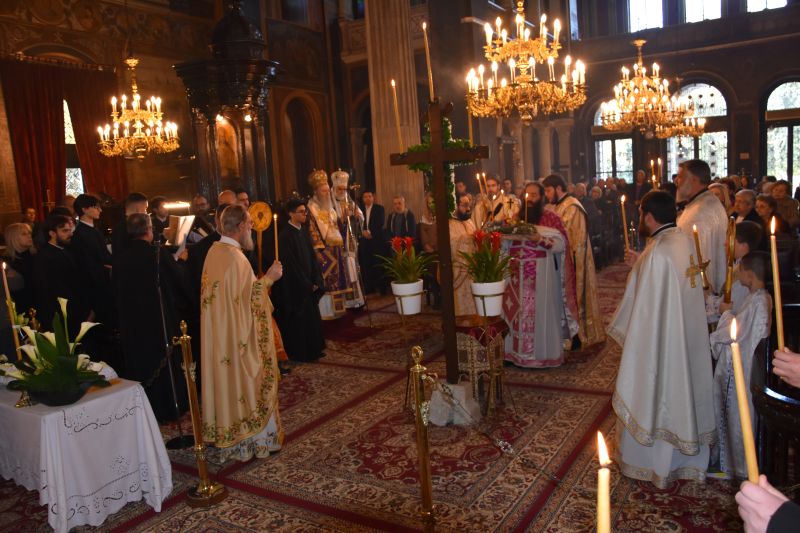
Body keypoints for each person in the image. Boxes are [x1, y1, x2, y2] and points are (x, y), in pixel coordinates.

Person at [608, 191, 715, 489]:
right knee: (685, 387)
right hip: (687, 336)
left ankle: (652, 463)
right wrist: (639, 263)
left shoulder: (657, 251)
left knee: (658, 391)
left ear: (648, 216)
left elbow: (644, 308)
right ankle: (687, 461)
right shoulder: (682, 241)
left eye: (641, 214)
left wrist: (640, 265)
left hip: (662, 342)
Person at [200, 204, 284, 462]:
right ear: (239, 227)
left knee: (228, 384)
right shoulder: (237, 260)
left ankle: (233, 441)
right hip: (238, 340)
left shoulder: (214, 252)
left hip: (221, 337)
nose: (251, 228)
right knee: (247, 382)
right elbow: (252, 303)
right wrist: (270, 278)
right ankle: (254, 441)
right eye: (249, 224)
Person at [114, 213, 192, 422]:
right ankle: (170, 408)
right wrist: (181, 263)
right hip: (159, 321)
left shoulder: (120, 258)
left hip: (132, 323)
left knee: (141, 363)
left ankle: (146, 411)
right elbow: (177, 281)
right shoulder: (156, 253)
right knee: (163, 366)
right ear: (149, 230)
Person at [709, 252, 771, 480]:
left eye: (741, 271)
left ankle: (733, 466)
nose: (738, 275)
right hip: (747, 366)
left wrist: (725, 313)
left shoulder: (757, 302)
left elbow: (735, 332)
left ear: (750, 274)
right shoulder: (760, 297)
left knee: (735, 416)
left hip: (742, 370)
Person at [503, 182, 578, 367]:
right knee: (514, 313)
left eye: (534, 195)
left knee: (539, 316)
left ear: (542, 197)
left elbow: (561, 246)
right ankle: (514, 354)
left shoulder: (551, 218)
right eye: (527, 195)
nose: (529, 199)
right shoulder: (514, 218)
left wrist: (539, 239)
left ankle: (539, 356)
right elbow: (505, 244)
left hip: (541, 275)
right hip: (515, 275)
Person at [543, 174, 605, 348]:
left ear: (558, 188)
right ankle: (563, 335)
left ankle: (578, 335)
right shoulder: (553, 206)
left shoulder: (573, 207)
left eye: (548, 191)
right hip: (557, 259)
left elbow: (573, 237)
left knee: (574, 298)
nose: (546, 195)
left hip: (573, 260)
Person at [273, 198, 326, 362]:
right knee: (301, 319)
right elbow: (291, 265)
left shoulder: (303, 231)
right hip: (297, 286)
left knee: (312, 317)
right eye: (301, 212)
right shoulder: (285, 236)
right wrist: (306, 283)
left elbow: (312, 258)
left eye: (305, 211)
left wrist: (316, 278)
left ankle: (315, 349)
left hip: (309, 281)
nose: (305, 214)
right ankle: (303, 353)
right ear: (291, 214)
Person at [675, 159, 728, 292]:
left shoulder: (702, 210)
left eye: (681, 177)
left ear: (693, 180)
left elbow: (703, 254)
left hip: (699, 287)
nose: (677, 181)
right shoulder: (701, 203)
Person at [33, 214, 90, 334]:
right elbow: (48, 290)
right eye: (65, 231)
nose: (70, 234)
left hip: (75, 310)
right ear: (52, 233)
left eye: (70, 230)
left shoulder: (65, 250)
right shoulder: (44, 257)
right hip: (61, 315)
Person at [307, 169, 349, 320]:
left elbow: (337, 229)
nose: (326, 194)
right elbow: (311, 230)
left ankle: (338, 311)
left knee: (337, 281)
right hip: (324, 251)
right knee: (326, 281)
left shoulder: (331, 209)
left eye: (327, 191)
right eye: (323, 191)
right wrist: (317, 251)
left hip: (336, 250)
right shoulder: (311, 208)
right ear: (316, 192)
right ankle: (326, 312)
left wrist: (343, 221)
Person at [705, 220, 763, 323]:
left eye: (731, 240)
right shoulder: (738, 266)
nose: (726, 243)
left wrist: (708, 297)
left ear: (744, 246)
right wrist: (712, 294)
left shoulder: (745, 273)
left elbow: (731, 307)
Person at [71, 194, 115, 326]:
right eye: (96, 207)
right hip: (95, 283)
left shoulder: (92, 230)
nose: (100, 210)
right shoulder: (81, 233)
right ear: (84, 209)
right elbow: (92, 260)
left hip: (101, 278)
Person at [330, 169, 365, 309]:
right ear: (334, 187)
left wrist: (357, 215)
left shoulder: (348, 199)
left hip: (349, 243)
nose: (342, 191)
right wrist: (342, 220)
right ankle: (344, 303)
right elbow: (329, 224)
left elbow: (360, 217)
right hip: (337, 245)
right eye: (339, 189)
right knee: (343, 272)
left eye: (344, 189)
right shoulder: (329, 203)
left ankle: (356, 300)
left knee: (352, 270)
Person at [449, 193, 477, 317]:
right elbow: (452, 245)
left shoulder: (470, 222)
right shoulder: (449, 224)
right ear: (455, 206)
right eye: (464, 205)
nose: (468, 208)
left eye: (469, 205)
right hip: (459, 270)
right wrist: (468, 239)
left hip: (473, 270)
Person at [3, 222, 37, 314]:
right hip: (20, 308)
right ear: (13, 238)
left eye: (29, 233)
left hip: (40, 303)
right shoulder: (6, 261)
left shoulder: (36, 256)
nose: (29, 236)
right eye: (24, 234)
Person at [357, 190, 386, 295]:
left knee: (378, 264)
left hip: (376, 240)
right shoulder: (359, 210)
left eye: (369, 196)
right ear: (363, 199)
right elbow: (356, 223)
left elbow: (380, 222)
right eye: (365, 197)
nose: (368, 198)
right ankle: (369, 287)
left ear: (373, 197)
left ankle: (382, 287)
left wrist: (370, 232)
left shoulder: (379, 208)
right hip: (364, 241)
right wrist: (362, 232)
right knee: (366, 264)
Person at [112, 192, 148, 256]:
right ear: (138, 209)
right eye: (145, 209)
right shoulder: (130, 227)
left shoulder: (119, 226)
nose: (146, 213)